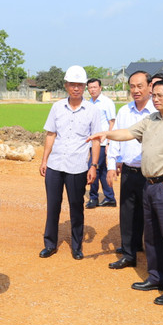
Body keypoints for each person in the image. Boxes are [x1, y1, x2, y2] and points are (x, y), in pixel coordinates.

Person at [89, 78, 163, 305]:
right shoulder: (152, 119)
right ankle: (157, 277)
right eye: (153, 95)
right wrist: (105, 134)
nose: (155, 99)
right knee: (152, 237)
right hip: (150, 185)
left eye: (159, 95)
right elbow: (127, 133)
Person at [39, 65, 106, 260]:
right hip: (55, 164)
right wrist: (44, 160)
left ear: (84, 86)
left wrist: (93, 165)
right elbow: (51, 134)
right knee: (53, 206)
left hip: (77, 166)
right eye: (72, 84)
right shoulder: (57, 107)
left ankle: (77, 246)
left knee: (76, 206)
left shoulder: (92, 110)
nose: (76, 88)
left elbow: (95, 140)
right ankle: (50, 244)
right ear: (66, 85)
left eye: (80, 85)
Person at [105, 70, 155, 270]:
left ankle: (148, 252)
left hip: (150, 172)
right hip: (128, 169)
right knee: (127, 213)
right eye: (132, 86)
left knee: (148, 215)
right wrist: (111, 165)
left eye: (140, 86)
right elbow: (116, 138)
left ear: (150, 86)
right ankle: (128, 253)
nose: (135, 90)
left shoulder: (156, 111)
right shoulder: (124, 111)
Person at [86, 77, 116, 208]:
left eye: (94, 87)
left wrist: (109, 142)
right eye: (90, 88)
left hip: (102, 143)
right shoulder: (88, 103)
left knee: (93, 168)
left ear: (100, 88)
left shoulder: (107, 103)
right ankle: (110, 197)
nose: (92, 90)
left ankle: (93, 198)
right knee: (103, 171)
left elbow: (112, 123)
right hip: (92, 142)